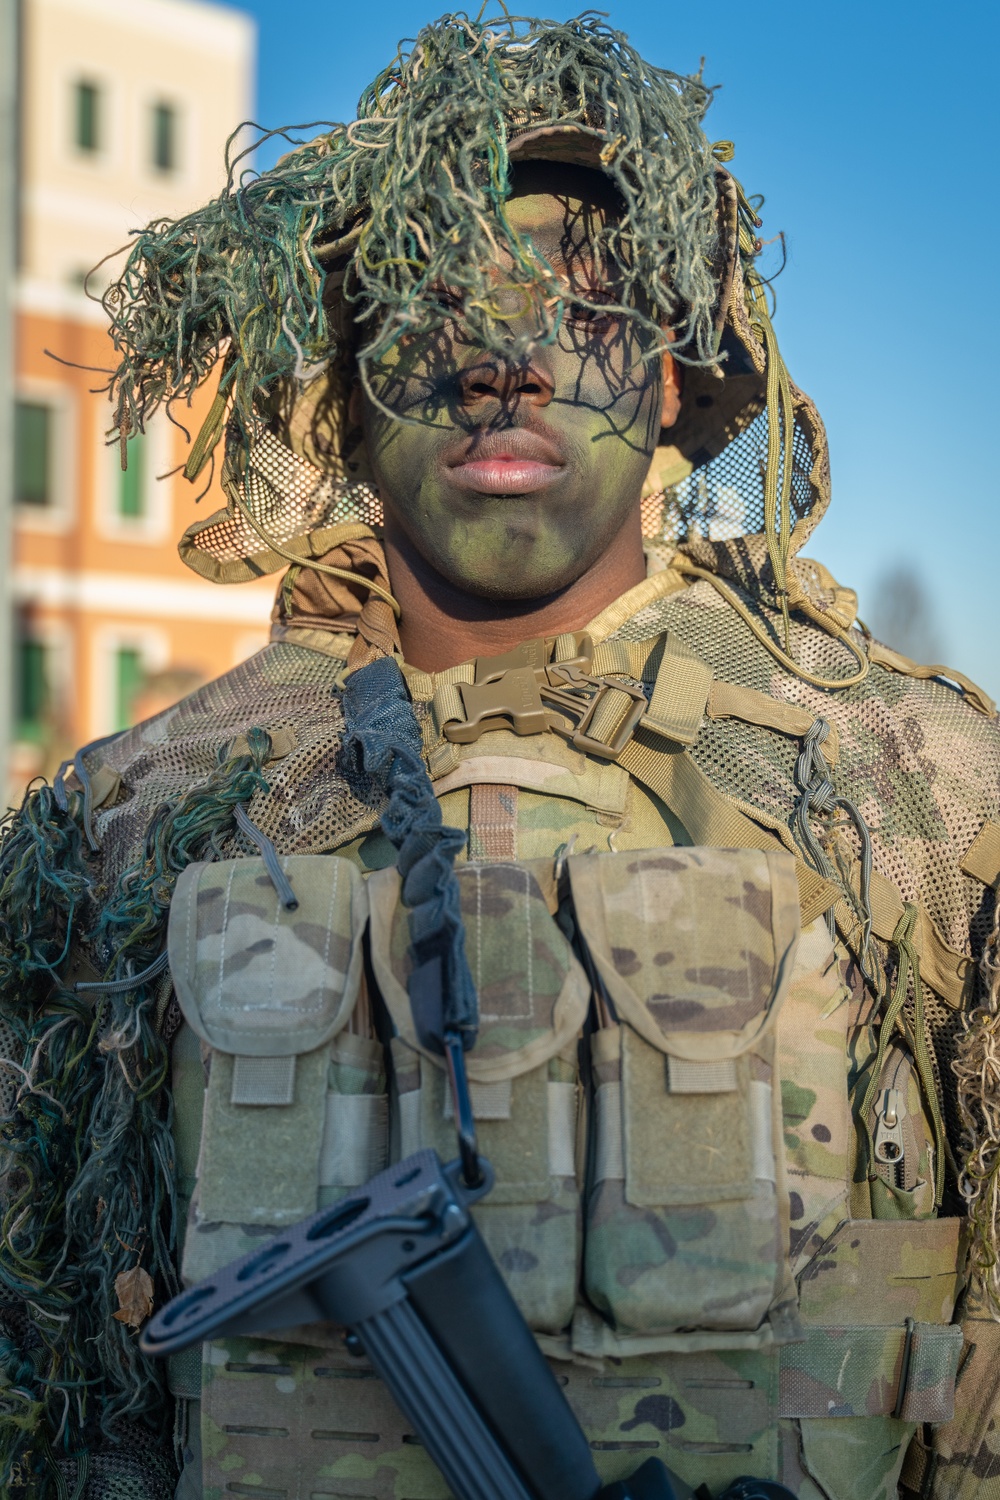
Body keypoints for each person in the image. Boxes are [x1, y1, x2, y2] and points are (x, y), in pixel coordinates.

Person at [1, 13, 999, 1500]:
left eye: (586, 310)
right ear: (343, 391)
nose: (504, 363)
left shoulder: (911, 791)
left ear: (675, 375)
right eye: (429, 303)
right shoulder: (142, 820)